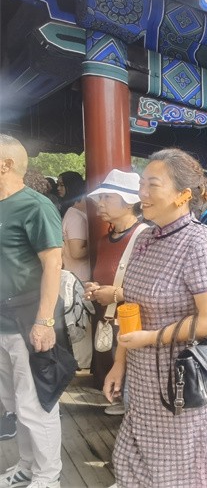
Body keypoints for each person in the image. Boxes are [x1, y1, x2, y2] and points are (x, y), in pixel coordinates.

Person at [104, 148, 207, 488]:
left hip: (182, 388)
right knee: (132, 465)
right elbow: (132, 307)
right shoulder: (146, 238)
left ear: (183, 195)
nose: (142, 193)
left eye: (153, 185)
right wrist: (119, 363)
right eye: (141, 184)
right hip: (142, 383)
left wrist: (149, 338)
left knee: (179, 476)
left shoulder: (198, 244)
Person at [0, 135, 64, 488]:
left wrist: (44, 321)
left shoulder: (35, 206)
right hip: (1, 322)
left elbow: (53, 264)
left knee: (36, 403)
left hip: (28, 320)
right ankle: (27, 466)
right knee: (14, 403)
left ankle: (47, 477)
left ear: (6, 164)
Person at [82, 170, 147, 409]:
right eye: (100, 198)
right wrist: (95, 288)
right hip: (109, 320)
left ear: (129, 202)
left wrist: (117, 294)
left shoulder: (145, 237)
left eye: (107, 197)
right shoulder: (104, 240)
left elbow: (153, 288)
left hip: (135, 326)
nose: (100, 203)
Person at [58, 171, 90, 282]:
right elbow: (77, 252)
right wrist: (99, 246)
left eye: (61, 185)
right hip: (80, 277)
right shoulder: (76, 217)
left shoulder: (74, 213)